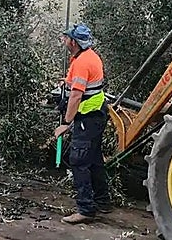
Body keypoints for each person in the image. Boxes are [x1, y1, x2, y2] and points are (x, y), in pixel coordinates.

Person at [54, 23, 111, 224]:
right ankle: (102, 202)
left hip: (87, 117)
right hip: (97, 116)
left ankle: (86, 209)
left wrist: (66, 123)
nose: (64, 41)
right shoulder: (89, 57)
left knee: (79, 161)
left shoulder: (81, 62)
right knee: (94, 159)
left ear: (74, 42)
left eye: (66, 38)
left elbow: (76, 96)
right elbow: (80, 84)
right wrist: (67, 82)